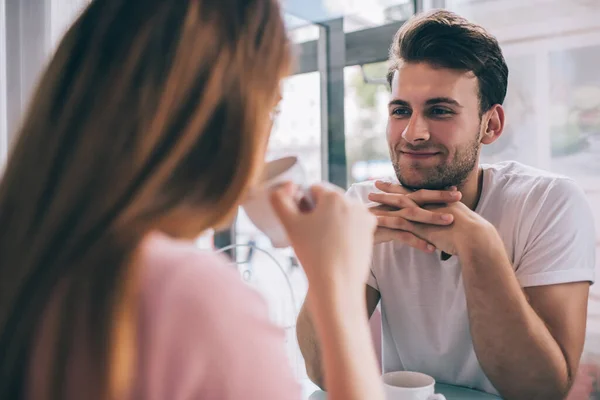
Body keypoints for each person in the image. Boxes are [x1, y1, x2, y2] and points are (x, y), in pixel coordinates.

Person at [0, 1, 384, 400]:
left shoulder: (29, 257)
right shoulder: (188, 295)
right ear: (220, 120)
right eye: (271, 109)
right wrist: (337, 286)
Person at [297, 9, 596, 399]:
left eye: (440, 111)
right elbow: (324, 373)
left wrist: (479, 245)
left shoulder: (548, 204)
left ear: (491, 125)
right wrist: (331, 259)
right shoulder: (367, 206)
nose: (412, 133)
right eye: (400, 110)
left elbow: (540, 390)